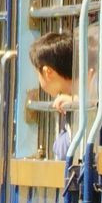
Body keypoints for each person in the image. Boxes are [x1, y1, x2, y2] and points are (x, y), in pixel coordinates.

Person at [32, 30, 77, 158]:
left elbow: (65, 150)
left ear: (48, 72)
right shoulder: (69, 97)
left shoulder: (75, 101)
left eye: (38, 74)